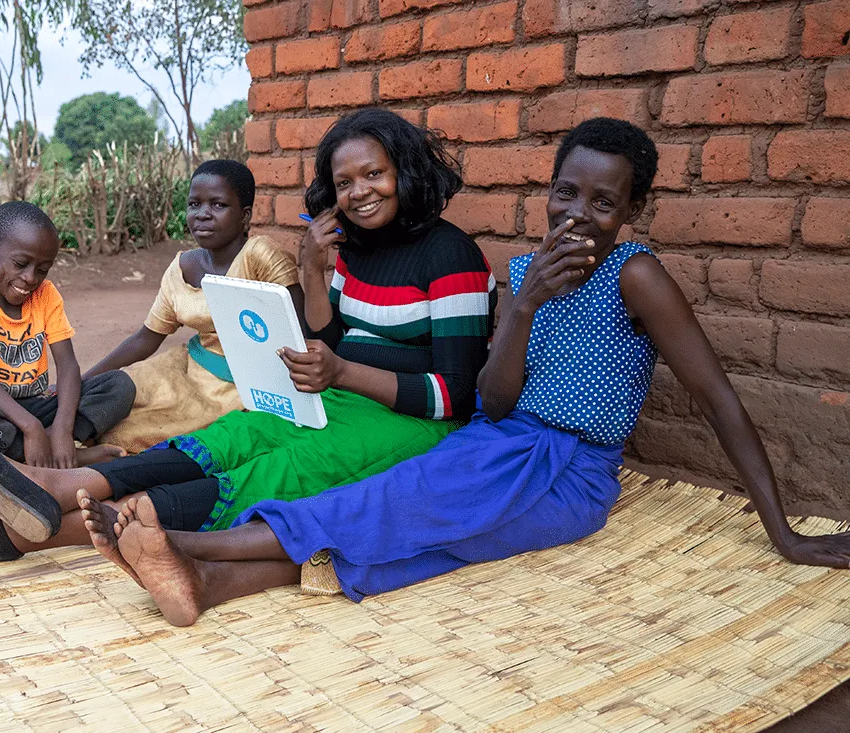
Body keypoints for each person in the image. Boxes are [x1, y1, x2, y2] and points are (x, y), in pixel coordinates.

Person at [65, 117, 850, 627]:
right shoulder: (524, 270)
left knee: (387, 507)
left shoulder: (636, 277)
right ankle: (201, 580)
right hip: (496, 440)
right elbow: (495, 397)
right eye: (564, 192)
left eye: (603, 203)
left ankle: (172, 538)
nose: (577, 214)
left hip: (568, 471)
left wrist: (782, 532)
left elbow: (716, 398)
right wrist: (525, 305)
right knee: (407, 542)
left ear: (632, 211)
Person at [0, 108, 498, 560]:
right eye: (343, 182)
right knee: (234, 436)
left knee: (278, 470)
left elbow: (453, 395)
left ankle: (53, 529)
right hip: (341, 397)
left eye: (374, 174)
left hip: (412, 423)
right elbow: (336, 339)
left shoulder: (452, 257)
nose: (358, 193)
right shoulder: (354, 251)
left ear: (406, 170)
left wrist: (342, 372)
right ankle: (66, 485)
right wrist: (313, 273)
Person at [0, 201, 135, 558]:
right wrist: (31, 427)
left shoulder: (46, 295)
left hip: (34, 411)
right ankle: (76, 458)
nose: (30, 278)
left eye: (42, 269)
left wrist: (59, 426)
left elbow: (69, 367)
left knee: (117, 385)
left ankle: (44, 457)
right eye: (21, 264)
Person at [85, 159, 303, 455]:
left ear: (245, 216)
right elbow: (146, 338)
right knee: (118, 389)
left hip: (234, 387)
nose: (202, 215)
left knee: (142, 434)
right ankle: (47, 440)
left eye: (218, 205)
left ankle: (84, 460)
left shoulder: (259, 256)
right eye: (194, 204)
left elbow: (300, 330)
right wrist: (82, 380)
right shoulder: (182, 266)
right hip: (186, 366)